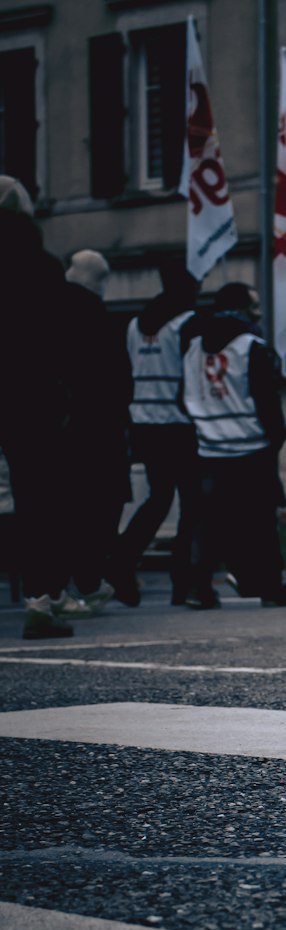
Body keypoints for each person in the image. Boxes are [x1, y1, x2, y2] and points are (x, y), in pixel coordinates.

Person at [180, 282, 286, 609]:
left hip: (209, 447)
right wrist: (276, 437)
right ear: (242, 309)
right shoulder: (251, 346)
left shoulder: (192, 347)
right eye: (255, 306)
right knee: (260, 522)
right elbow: (267, 400)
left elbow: (183, 395)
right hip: (251, 446)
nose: (259, 312)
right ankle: (271, 587)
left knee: (209, 523)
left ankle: (199, 587)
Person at [0, 176, 79, 638]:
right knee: (39, 500)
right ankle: (41, 599)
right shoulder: (43, 267)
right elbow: (59, 342)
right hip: (30, 393)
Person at [108, 262, 200, 606]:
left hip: (144, 421)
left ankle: (120, 560)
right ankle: (185, 580)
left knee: (159, 498)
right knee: (192, 504)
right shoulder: (187, 323)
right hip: (179, 423)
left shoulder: (135, 324)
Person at [61, 249, 134, 614]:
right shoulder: (101, 320)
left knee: (63, 507)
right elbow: (121, 382)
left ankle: (62, 583)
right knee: (99, 507)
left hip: (60, 427)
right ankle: (90, 578)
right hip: (98, 429)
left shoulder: (50, 311)